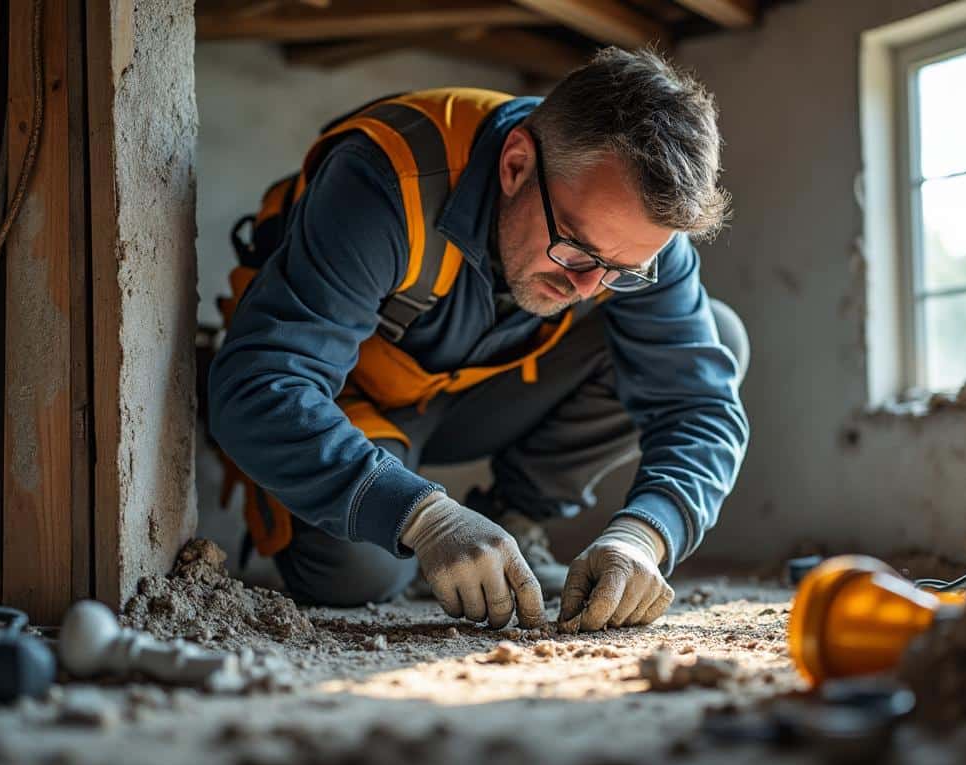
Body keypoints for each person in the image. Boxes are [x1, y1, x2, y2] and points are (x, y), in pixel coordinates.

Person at [209, 47, 749, 633]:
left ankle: (514, 520)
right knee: (355, 577)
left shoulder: (634, 238)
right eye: (576, 250)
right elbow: (259, 384)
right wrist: (425, 518)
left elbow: (698, 408)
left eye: (621, 271)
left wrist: (644, 535)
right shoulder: (388, 179)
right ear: (515, 164)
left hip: (483, 396)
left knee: (719, 334)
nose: (590, 288)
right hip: (351, 400)